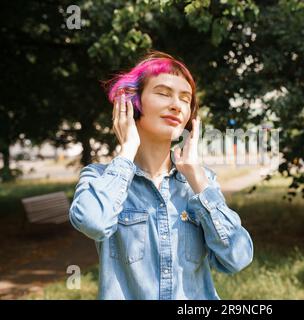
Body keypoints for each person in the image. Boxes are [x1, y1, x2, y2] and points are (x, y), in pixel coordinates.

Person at [69, 50, 253, 300]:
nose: (176, 105)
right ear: (133, 104)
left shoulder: (200, 182)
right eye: (163, 93)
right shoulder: (99, 178)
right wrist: (127, 151)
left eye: (185, 99)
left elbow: (237, 258)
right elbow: (93, 222)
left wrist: (197, 179)